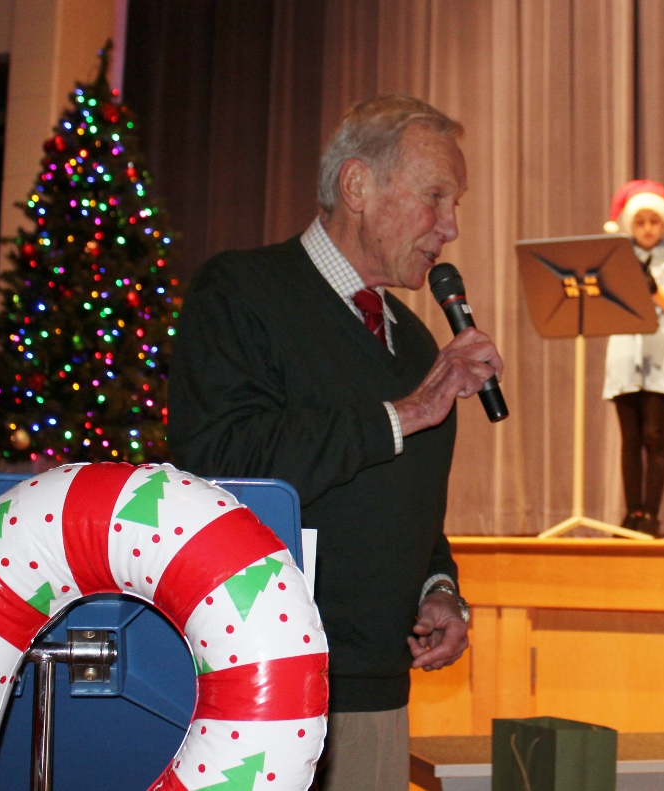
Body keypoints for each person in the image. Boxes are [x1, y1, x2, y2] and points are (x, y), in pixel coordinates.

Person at [169, 96, 503, 791]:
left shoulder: (413, 340)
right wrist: (405, 410)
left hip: (380, 691)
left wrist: (438, 587)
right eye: (436, 197)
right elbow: (223, 462)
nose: (451, 226)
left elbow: (406, 508)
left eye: (456, 203)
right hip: (262, 685)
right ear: (357, 185)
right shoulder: (240, 291)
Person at [600, 180, 664, 534]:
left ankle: (651, 513)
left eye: (655, 221)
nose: (648, 228)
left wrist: (652, 287)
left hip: (658, 357)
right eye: (640, 221)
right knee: (630, 439)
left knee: (654, 435)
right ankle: (631, 512)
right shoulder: (617, 259)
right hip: (623, 357)